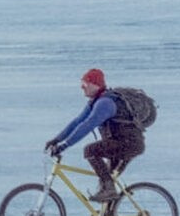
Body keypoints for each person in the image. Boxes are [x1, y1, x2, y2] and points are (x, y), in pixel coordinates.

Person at [45, 68, 144, 202]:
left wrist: (64, 146)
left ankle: (109, 189)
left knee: (90, 151)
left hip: (128, 144)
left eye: (85, 83)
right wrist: (56, 140)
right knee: (105, 181)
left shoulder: (105, 103)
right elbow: (77, 122)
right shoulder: (95, 102)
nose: (82, 87)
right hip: (119, 143)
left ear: (95, 84)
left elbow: (87, 126)